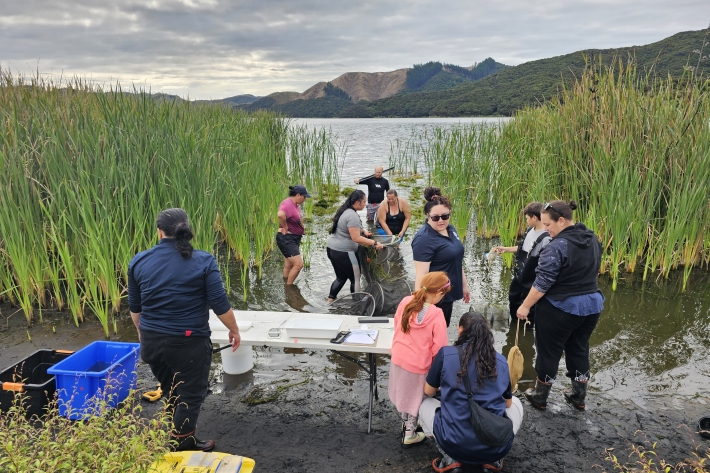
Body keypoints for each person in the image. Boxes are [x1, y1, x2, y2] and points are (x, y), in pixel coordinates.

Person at [128, 208, 241, 452]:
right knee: (192, 394)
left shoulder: (139, 260)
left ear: (159, 232)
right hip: (188, 343)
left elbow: (135, 308)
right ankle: (182, 443)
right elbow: (220, 305)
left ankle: (174, 434)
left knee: (171, 389)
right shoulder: (203, 260)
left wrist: (141, 331)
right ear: (187, 229)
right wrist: (234, 330)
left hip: (151, 341)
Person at [516, 200, 604, 411]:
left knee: (548, 351)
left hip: (562, 308)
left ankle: (539, 396)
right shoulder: (591, 238)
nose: (545, 229)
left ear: (562, 220)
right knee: (579, 348)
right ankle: (578, 397)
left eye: (548, 225)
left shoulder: (556, 247)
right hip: (592, 304)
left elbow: (542, 283)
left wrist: (525, 306)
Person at [419, 312, 523, 473]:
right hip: (494, 447)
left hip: (453, 444)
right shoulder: (501, 361)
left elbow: (429, 391)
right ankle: (492, 461)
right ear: (486, 333)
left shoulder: (446, 354)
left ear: (460, 330)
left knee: (423, 403)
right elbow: (508, 403)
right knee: (516, 404)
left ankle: (449, 456)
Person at [388, 271, 451, 448]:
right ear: (439, 293)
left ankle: (405, 422)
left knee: (404, 393)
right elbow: (439, 348)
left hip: (399, 357)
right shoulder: (437, 314)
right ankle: (410, 434)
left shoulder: (405, 301)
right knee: (416, 399)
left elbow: (396, 324)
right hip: (418, 365)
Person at [412, 195, 470, 327]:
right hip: (435, 296)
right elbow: (421, 274)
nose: (441, 220)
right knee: (434, 329)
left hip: (449, 291)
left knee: (444, 326)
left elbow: (457, 259)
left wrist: (464, 285)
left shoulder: (450, 229)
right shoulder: (423, 240)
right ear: (427, 215)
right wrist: (420, 303)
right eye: (435, 217)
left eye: (445, 216)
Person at [492, 202, 550, 324]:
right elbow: (523, 248)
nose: (526, 221)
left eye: (527, 218)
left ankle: (525, 334)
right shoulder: (530, 230)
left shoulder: (546, 238)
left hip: (531, 282)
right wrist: (506, 249)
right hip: (519, 277)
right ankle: (513, 325)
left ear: (534, 217)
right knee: (513, 301)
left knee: (528, 313)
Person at [326, 190, 383, 303]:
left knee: (341, 277)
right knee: (355, 279)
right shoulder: (352, 216)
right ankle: (357, 303)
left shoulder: (345, 211)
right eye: (364, 202)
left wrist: (364, 231)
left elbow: (353, 227)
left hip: (332, 249)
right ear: (357, 202)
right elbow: (356, 238)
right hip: (345, 252)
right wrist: (375, 243)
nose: (365, 204)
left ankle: (330, 301)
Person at [276, 185, 311, 285]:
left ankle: (285, 284)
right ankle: (289, 287)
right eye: (304, 197)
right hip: (287, 239)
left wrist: (301, 229)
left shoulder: (294, 204)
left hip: (293, 238)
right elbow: (280, 215)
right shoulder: (287, 203)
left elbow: (295, 218)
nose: (305, 199)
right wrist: (285, 227)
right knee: (299, 264)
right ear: (298, 195)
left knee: (288, 265)